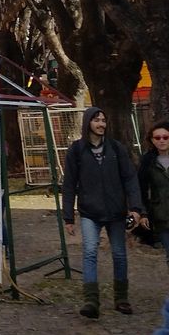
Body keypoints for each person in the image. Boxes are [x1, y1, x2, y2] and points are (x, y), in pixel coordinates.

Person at [62, 107, 143, 318]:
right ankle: (91, 300)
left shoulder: (116, 148)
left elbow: (130, 179)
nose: (101, 124)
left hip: (116, 211)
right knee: (89, 251)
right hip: (90, 211)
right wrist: (68, 216)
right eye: (97, 120)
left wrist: (135, 208)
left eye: (103, 120)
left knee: (119, 253)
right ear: (88, 122)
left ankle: (121, 298)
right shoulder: (77, 150)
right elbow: (69, 184)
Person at [138, 123, 169, 270]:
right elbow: (142, 189)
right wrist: (143, 212)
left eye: (165, 137)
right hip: (161, 216)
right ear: (152, 140)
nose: (161, 140)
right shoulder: (147, 161)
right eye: (157, 137)